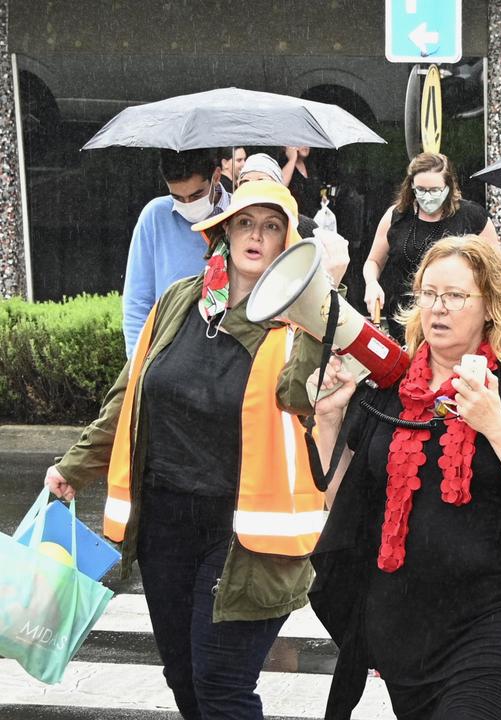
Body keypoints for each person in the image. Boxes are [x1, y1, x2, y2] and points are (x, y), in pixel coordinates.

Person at [44, 181, 343, 719]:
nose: (256, 235)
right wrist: (75, 466)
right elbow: (130, 400)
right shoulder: (180, 300)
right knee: (184, 677)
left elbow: (301, 399)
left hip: (242, 535)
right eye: (245, 222)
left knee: (222, 685)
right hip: (165, 523)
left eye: (271, 226)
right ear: (223, 231)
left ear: (288, 243)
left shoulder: (303, 320)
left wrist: (320, 297)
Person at [308, 234, 501, 720]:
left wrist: (494, 423)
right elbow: (343, 503)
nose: (438, 308)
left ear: (490, 305)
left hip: (497, 620)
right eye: (428, 294)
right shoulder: (390, 387)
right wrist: (327, 420)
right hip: (406, 626)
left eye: (455, 296)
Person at [364, 152, 501, 341]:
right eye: (421, 189)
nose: (427, 197)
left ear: (449, 187)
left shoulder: (473, 217)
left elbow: (497, 272)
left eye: (435, 190)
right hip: (404, 317)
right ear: (411, 186)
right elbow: (373, 261)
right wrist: (372, 283)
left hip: (454, 316)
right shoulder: (396, 216)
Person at [122, 148, 230, 357]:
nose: (187, 204)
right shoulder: (155, 217)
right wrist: (137, 366)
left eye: (196, 195)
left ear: (216, 176)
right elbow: (137, 303)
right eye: (177, 197)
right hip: (167, 356)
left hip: (226, 355)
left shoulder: (241, 217)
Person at [281, 145, 324, 218]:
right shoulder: (283, 164)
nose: (306, 145)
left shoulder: (310, 166)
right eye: (301, 141)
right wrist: (292, 159)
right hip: (293, 221)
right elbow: (280, 186)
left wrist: (323, 197)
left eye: (308, 141)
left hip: (312, 221)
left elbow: (317, 190)